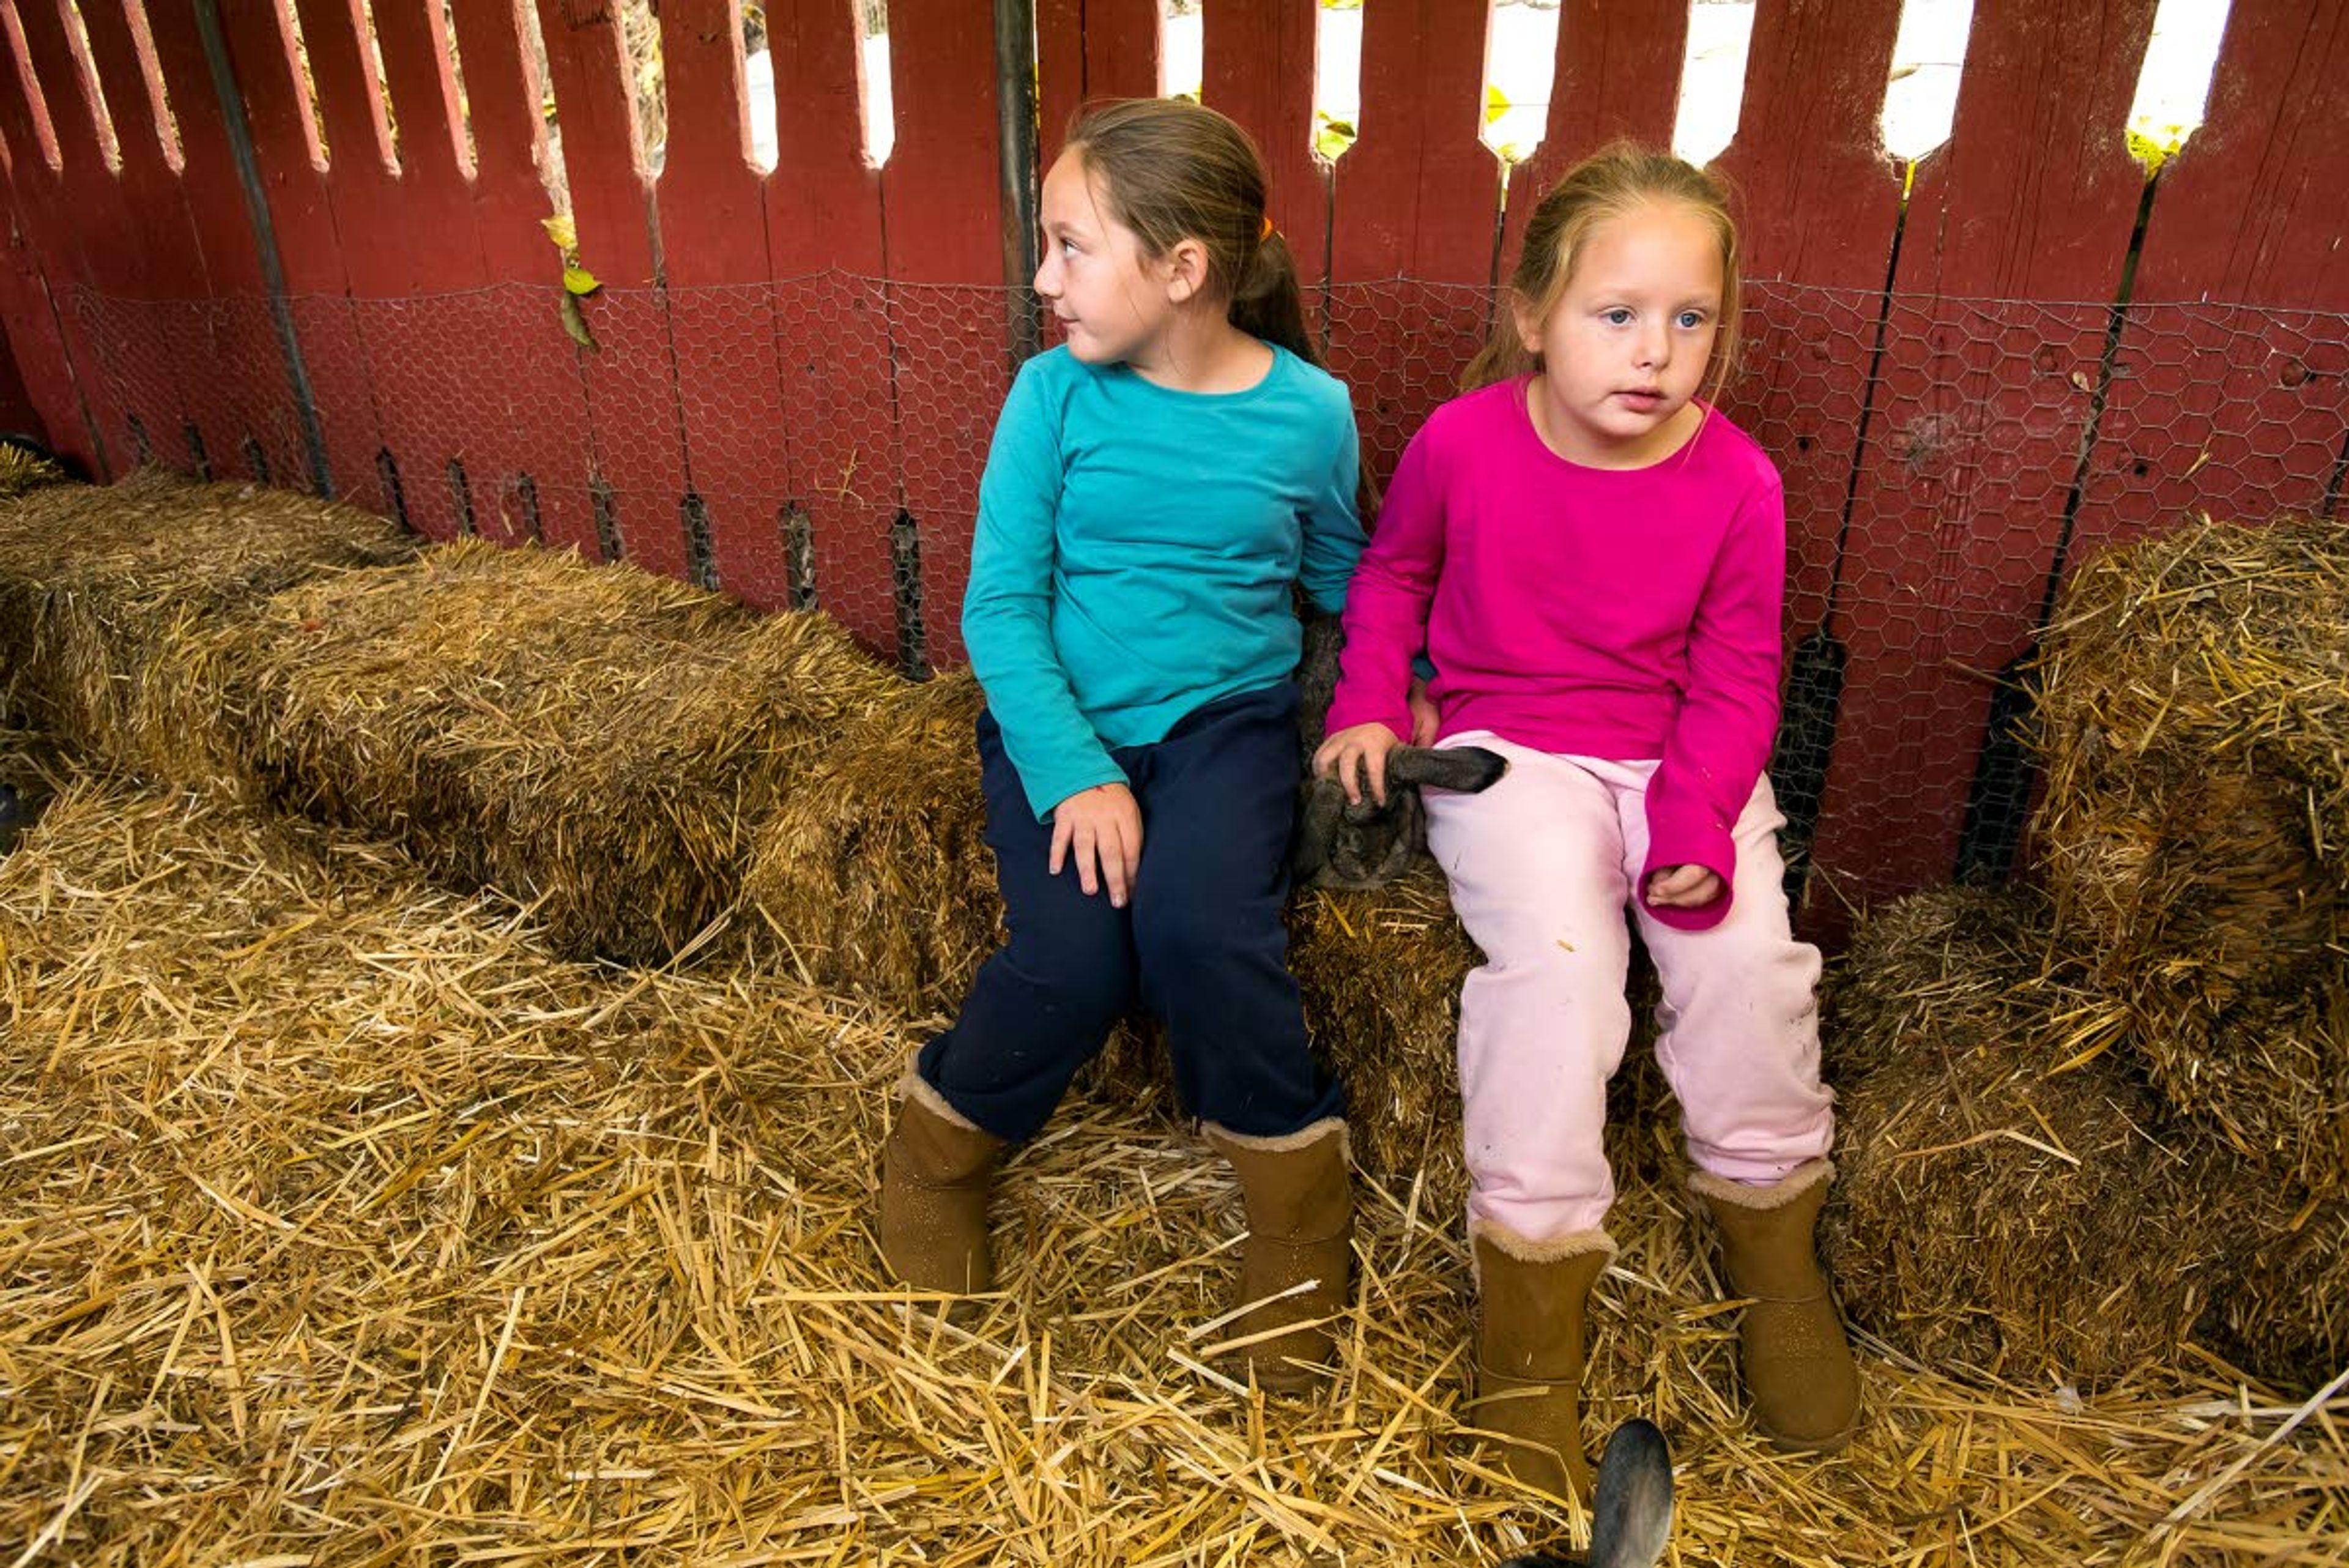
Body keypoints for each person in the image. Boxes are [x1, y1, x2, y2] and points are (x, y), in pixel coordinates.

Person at [1315, 145, 1860, 1497]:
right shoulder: (1463, 445)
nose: (1655, 352)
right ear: (1533, 316)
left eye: (1691, 320)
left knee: (1747, 967)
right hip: (1514, 749)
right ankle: (1531, 1331)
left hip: (1685, 754)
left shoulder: (1739, 485)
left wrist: (1687, 828)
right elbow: (1393, 575)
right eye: (1616, 315)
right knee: (1561, 977)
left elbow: (1740, 677)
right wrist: (1374, 702)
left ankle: (1773, 1267)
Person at [877, 98, 1364, 1393]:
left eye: (1070, 246)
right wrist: (1079, 770)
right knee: (1076, 955)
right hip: (1064, 725)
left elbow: (1343, 578)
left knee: (1205, 935)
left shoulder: (1313, 416)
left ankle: (1295, 1211)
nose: (1044, 281)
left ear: (1184, 270)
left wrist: (1392, 697)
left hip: (1227, 728)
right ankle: (941, 1151)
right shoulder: (1052, 398)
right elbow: (998, 603)